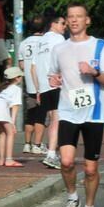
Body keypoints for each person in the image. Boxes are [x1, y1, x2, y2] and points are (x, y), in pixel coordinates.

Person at [47, 3, 104, 207]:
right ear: (66, 22)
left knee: (90, 169)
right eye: (71, 17)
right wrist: (54, 80)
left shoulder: (99, 46)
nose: (75, 21)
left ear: (88, 20)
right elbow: (53, 73)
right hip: (68, 111)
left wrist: (94, 72)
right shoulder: (59, 49)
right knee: (66, 161)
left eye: (79, 17)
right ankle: (72, 197)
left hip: (94, 114)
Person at [34, 13, 67, 170]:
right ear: (53, 24)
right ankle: (52, 153)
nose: (64, 27)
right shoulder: (58, 39)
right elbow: (64, 58)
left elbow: (34, 66)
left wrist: (39, 88)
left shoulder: (41, 42)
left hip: (44, 84)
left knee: (53, 117)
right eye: (62, 24)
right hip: (55, 83)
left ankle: (54, 150)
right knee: (57, 119)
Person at [18, 16, 46, 154]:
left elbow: (22, 65)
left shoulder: (23, 43)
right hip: (43, 84)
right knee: (41, 116)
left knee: (31, 115)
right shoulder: (45, 42)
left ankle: (27, 144)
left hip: (29, 85)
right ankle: (38, 144)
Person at [0, 66, 25, 167]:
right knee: (10, 133)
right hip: (0, 109)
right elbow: (15, 106)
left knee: (2, 133)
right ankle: (8, 159)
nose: (21, 78)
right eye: (20, 76)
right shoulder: (16, 89)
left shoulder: (3, 88)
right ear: (16, 78)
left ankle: (1, 160)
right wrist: (13, 123)